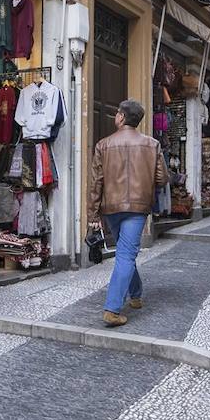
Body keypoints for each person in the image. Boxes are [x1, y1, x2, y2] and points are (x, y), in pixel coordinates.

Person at [86, 99, 168, 327]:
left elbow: (96, 183)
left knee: (125, 253)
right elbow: (162, 178)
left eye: (117, 114)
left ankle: (132, 296)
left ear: (121, 117)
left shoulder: (103, 145)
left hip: (111, 208)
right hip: (138, 208)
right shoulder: (152, 144)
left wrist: (92, 215)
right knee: (126, 254)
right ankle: (113, 309)